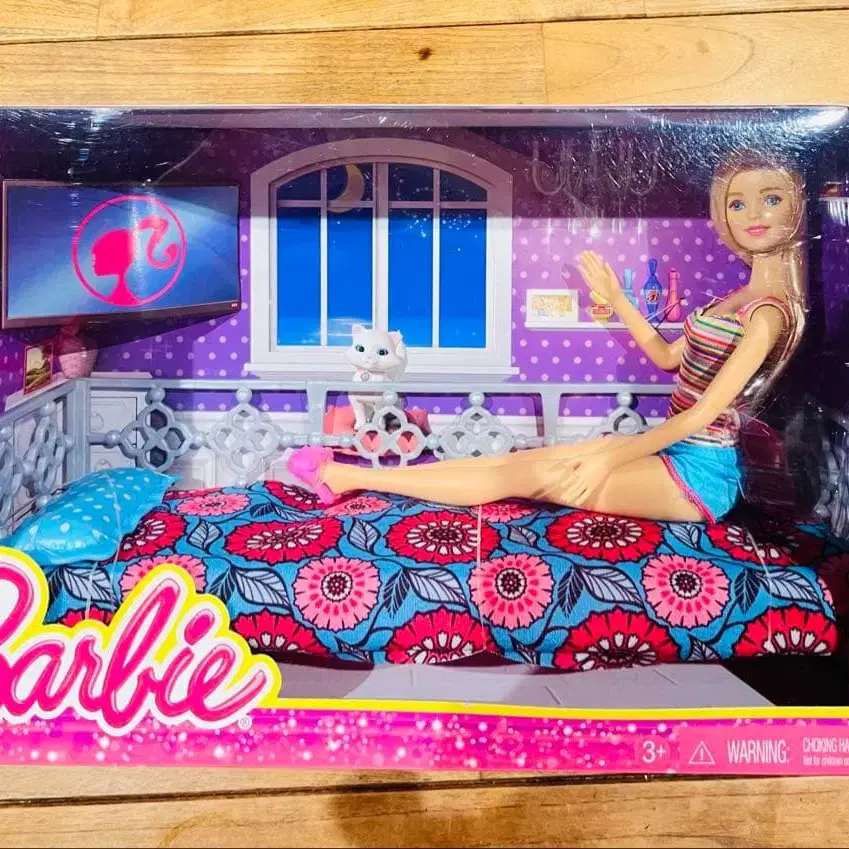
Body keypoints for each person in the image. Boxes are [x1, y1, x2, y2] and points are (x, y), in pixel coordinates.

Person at [288, 151, 808, 524]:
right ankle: (346, 475)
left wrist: (613, 454)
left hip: (700, 475)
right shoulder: (734, 299)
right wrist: (617, 298)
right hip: (669, 449)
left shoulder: (768, 314)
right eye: (738, 203)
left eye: (771, 199)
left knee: (523, 478)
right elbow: (669, 357)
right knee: (514, 463)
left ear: (798, 207)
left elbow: (702, 414)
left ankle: (352, 477)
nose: (754, 215)